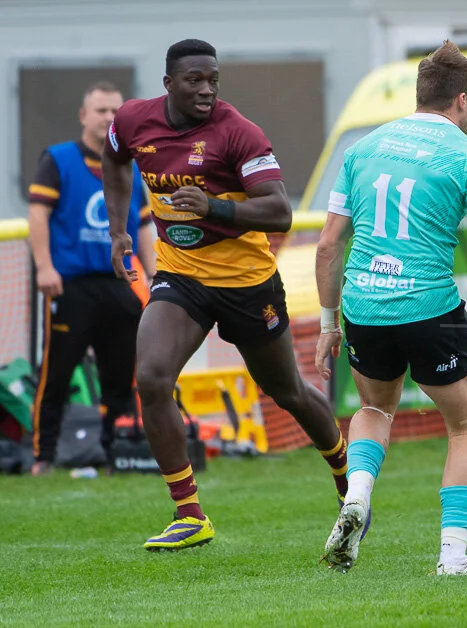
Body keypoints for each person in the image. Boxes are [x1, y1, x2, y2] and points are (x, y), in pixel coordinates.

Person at [102, 39, 349, 551]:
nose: (207, 90)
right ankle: (190, 514)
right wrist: (118, 229)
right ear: (169, 83)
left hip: (246, 284)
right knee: (150, 377)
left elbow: (279, 211)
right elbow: (113, 156)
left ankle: (349, 485)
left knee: (288, 393)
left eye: (213, 79)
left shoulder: (238, 133)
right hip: (181, 276)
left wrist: (213, 208)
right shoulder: (132, 120)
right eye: (195, 80)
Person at [313, 41, 467, 576]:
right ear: (464, 100)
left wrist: (328, 323)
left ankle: (356, 495)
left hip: (363, 304)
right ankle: (452, 556)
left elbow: (329, 244)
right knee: (465, 425)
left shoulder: (362, 147)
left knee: (375, 409)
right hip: (428, 307)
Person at [26, 82, 154, 476]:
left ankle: (112, 452)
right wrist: (45, 267)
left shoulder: (131, 166)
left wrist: (156, 277)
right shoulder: (59, 160)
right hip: (72, 285)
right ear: (84, 116)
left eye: (116, 111)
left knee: (120, 374)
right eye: (101, 111)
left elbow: (145, 226)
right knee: (58, 374)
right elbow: (38, 215)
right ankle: (43, 456)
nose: (109, 118)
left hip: (120, 284)